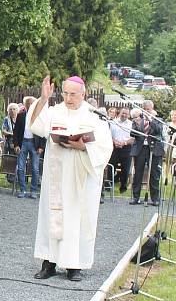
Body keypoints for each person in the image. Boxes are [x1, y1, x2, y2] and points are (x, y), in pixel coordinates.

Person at [28, 75, 113, 282]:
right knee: (52, 217)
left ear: (83, 94)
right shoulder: (54, 112)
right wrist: (43, 98)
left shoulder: (93, 117)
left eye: (73, 94)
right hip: (56, 178)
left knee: (78, 220)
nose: (68, 98)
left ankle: (74, 266)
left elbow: (104, 147)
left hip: (80, 180)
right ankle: (49, 263)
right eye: (65, 93)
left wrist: (83, 146)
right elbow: (35, 125)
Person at [129, 100, 164, 206]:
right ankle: (136, 197)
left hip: (153, 149)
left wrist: (151, 121)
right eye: (144, 109)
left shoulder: (158, 119)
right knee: (138, 173)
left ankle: (155, 198)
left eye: (148, 109)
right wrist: (138, 124)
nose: (146, 111)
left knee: (154, 174)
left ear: (152, 108)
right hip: (140, 149)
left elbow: (158, 131)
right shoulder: (138, 119)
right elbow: (132, 132)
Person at [13, 96, 46, 199]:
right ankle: (22, 190)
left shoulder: (39, 116)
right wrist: (16, 144)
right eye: (28, 103)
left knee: (35, 169)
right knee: (21, 167)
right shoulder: (21, 116)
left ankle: (33, 191)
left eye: (32, 103)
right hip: (23, 143)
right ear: (25, 105)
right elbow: (16, 132)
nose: (30, 105)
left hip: (35, 144)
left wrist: (41, 146)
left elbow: (43, 132)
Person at [109, 106, 134, 194]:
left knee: (125, 169)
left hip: (126, 148)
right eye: (123, 113)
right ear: (119, 113)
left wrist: (124, 143)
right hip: (114, 147)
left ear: (128, 115)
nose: (124, 115)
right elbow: (109, 134)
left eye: (126, 114)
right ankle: (109, 185)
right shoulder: (113, 122)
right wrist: (115, 142)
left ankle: (123, 187)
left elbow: (133, 138)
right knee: (111, 167)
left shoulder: (131, 124)